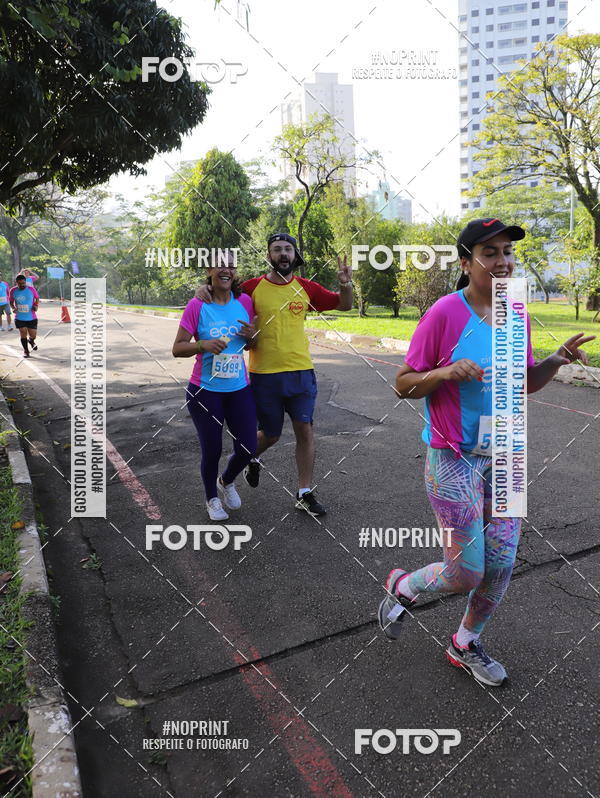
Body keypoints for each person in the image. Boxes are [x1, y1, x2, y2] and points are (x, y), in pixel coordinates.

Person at [378, 218, 596, 687]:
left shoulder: (516, 311)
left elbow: (525, 382)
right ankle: (405, 585)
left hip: (507, 455)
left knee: (499, 565)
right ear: (466, 262)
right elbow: (402, 385)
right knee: (466, 570)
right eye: (490, 253)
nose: (503, 262)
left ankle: (465, 643)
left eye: (508, 253)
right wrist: (444, 372)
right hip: (453, 457)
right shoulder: (444, 313)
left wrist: (554, 361)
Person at [196, 233, 353, 517]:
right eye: (277, 249)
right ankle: (239, 466)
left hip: (301, 372)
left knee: (305, 429)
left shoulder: (306, 287)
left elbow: (344, 304)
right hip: (263, 374)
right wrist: (201, 290)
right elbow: (219, 293)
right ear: (269, 256)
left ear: (295, 255)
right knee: (270, 434)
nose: (283, 254)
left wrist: (345, 283)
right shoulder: (252, 288)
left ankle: (304, 492)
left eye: (287, 249)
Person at [172, 258, 258, 521]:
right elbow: (177, 348)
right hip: (204, 391)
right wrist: (202, 345)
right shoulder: (198, 305)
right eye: (219, 265)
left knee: (248, 446)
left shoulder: (244, 302)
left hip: (238, 388)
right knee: (212, 449)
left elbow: (252, 344)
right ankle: (211, 497)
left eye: (232, 265)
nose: (226, 269)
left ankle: (227, 480)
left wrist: (253, 336)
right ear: (209, 271)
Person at [9, 273, 40, 358]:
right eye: (19, 284)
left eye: (23, 283)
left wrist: (36, 306)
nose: (22, 285)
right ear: (16, 283)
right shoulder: (13, 290)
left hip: (31, 317)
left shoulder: (31, 289)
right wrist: (13, 308)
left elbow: (37, 298)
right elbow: (11, 301)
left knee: (33, 335)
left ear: (25, 282)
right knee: (23, 333)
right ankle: (26, 351)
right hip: (19, 317)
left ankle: (31, 340)